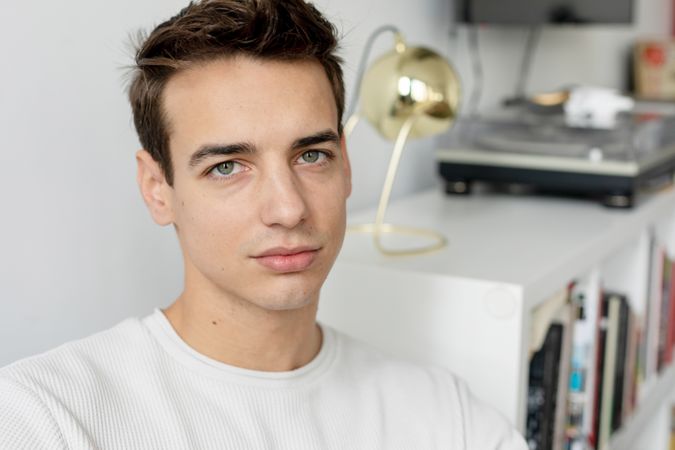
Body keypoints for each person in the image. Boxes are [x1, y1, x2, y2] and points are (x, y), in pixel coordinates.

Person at [0, 1, 527, 448]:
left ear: (345, 164)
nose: (288, 208)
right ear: (157, 189)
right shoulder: (46, 418)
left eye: (311, 156)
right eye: (227, 166)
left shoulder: (446, 420)